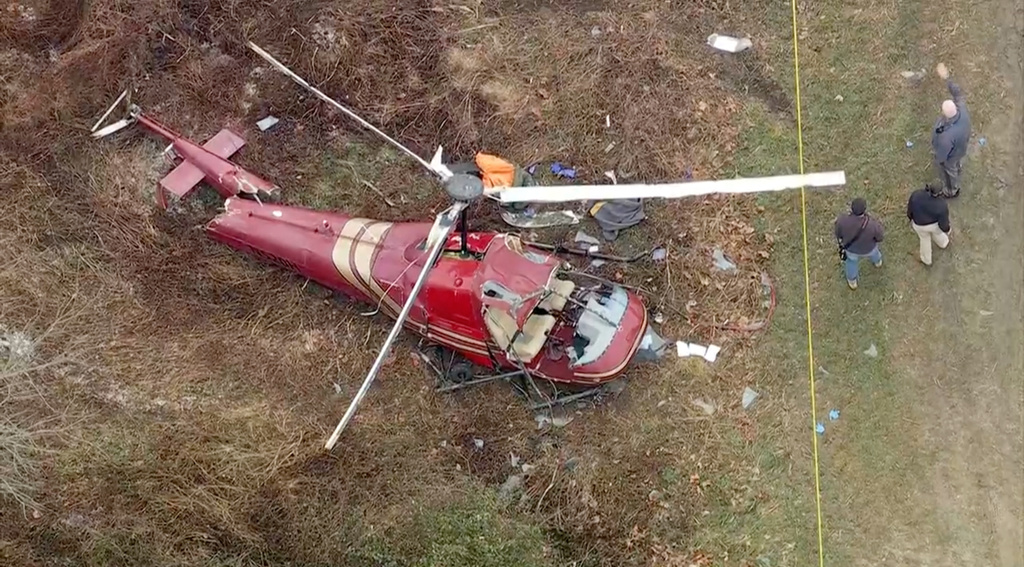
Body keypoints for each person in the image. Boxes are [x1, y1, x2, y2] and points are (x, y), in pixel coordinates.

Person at [931, 62, 971, 198]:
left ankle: (952, 190)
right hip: (962, 145)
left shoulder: (946, 136)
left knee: (950, 169)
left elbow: (943, 155)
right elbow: (958, 93)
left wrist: (939, 160)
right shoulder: (962, 110)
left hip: (952, 155)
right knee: (957, 161)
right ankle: (958, 167)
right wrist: (947, 78)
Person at [834, 198, 884, 289]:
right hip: (869, 248)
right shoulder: (871, 224)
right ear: (864, 209)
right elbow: (880, 237)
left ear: (851, 208)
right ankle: (877, 262)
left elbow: (838, 233)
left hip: (851, 250)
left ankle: (852, 282)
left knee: (851, 263)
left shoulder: (842, 221)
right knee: (875, 254)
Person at [906, 183, 952, 266]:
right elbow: (943, 224)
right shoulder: (941, 205)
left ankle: (926, 259)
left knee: (924, 240)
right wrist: (947, 230)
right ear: (939, 193)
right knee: (938, 233)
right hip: (934, 226)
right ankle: (943, 243)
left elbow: (910, 209)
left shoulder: (916, 195)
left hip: (919, 224)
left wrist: (910, 218)